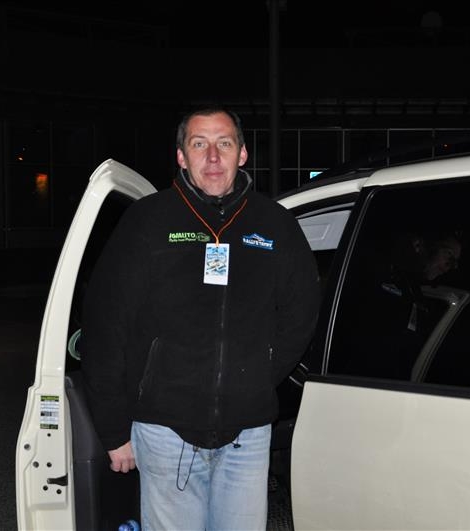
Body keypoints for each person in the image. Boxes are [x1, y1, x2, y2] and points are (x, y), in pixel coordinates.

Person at [80, 105, 321, 530]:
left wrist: (257, 374)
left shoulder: (275, 224)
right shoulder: (147, 221)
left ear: (242, 153)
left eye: (224, 143)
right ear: (181, 156)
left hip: (248, 434)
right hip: (164, 431)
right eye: (199, 144)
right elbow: (105, 326)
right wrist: (113, 430)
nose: (212, 156)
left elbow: (301, 313)